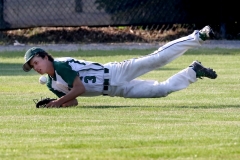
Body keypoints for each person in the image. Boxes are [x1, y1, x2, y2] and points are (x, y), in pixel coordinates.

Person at [22, 25, 217, 108]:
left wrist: (59, 101)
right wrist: (56, 105)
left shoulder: (60, 65)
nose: (36, 67)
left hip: (115, 71)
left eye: (36, 62)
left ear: (45, 56)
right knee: (161, 90)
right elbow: (74, 102)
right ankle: (193, 71)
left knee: (157, 59)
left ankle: (198, 36)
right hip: (116, 90)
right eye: (33, 66)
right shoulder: (51, 84)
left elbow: (79, 89)